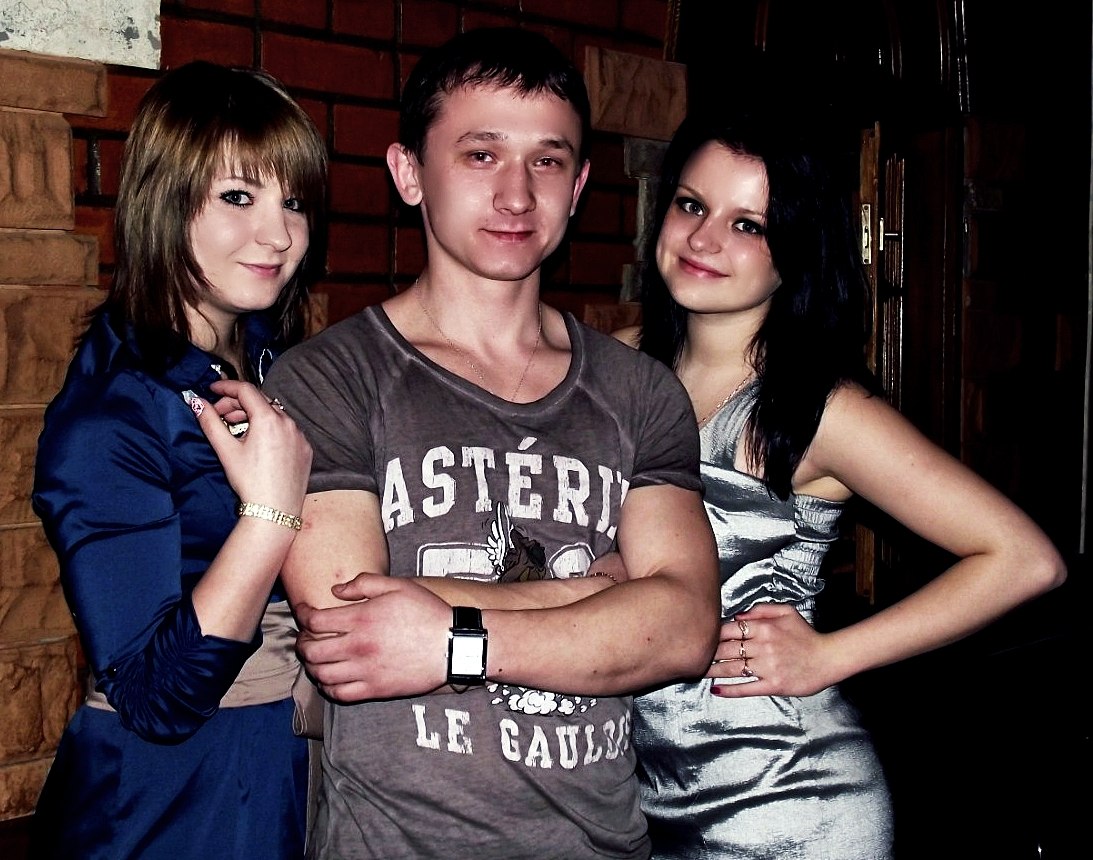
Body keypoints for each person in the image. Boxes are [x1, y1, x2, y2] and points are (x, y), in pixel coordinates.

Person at [261, 27, 720, 860]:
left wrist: (452, 639)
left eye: (547, 161)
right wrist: (599, 594)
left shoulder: (639, 391)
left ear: (578, 186)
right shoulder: (329, 378)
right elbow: (348, 630)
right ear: (409, 173)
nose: (516, 195)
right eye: (480, 155)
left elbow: (686, 627)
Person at [613, 110, 1068, 859]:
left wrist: (830, 655)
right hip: (637, 799)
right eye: (692, 205)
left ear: (796, 249)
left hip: (787, 805)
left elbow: (1024, 560)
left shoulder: (822, 410)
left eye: (748, 225)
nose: (703, 239)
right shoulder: (614, 368)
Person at [29, 61, 328, 859]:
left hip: (278, 771)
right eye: (238, 197)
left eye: (294, 201)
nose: (278, 235)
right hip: (171, 806)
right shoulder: (115, 412)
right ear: (164, 201)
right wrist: (269, 516)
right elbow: (153, 697)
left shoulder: (275, 365)